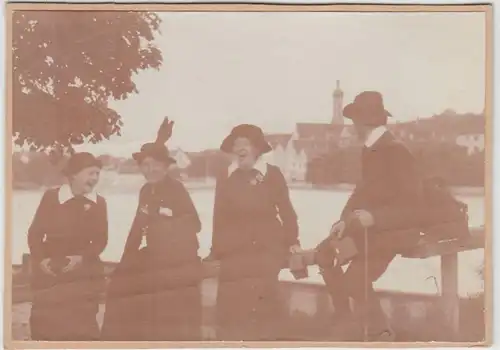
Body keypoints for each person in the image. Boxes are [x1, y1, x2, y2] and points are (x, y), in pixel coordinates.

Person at [315, 91, 424, 341]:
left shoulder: (396, 151)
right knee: (324, 254)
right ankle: (344, 318)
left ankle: (382, 335)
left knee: (355, 280)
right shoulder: (370, 149)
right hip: (369, 228)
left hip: (395, 231)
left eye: (354, 120)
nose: (353, 126)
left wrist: (375, 218)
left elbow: (414, 206)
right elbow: (362, 192)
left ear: (364, 122)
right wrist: (344, 220)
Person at [101, 118, 203, 341]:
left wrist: (160, 219)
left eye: (156, 165)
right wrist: (125, 261)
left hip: (179, 258)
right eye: (145, 166)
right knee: (120, 284)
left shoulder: (176, 189)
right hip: (155, 256)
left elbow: (195, 224)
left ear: (166, 168)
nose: (150, 170)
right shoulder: (146, 191)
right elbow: (137, 230)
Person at [207, 124, 301, 341]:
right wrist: (215, 250)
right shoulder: (226, 176)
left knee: (263, 301)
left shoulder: (272, 174)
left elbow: (286, 211)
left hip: (266, 250)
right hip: (234, 250)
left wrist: (292, 241)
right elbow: (218, 217)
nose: (240, 149)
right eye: (236, 145)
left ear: (257, 149)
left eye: (245, 144)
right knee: (230, 305)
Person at [27, 152, 108, 341]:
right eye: (91, 173)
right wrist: (41, 260)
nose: (95, 179)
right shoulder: (51, 197)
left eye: (97, 174)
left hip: (83, 272)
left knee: (81, 328)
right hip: (51, 271)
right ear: (74, 175)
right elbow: (35, 234)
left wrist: (81, 258)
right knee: (47, 325)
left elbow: (101, 240)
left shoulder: (98, 203)